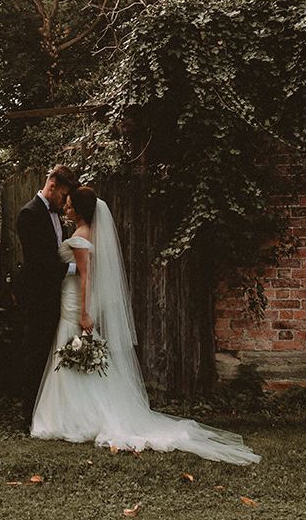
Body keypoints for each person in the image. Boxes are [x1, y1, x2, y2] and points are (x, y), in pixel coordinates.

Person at [31, 186, 261, 465]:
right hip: (71, 299)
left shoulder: (80, 238)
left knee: (70, 350)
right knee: (74, 354)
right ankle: (73, 412)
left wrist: (85, 313)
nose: (65, 209)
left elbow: (86, 278)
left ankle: (72, 417)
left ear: (78, 210)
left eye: (68, 206)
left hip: (75, 304)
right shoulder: (86, 234)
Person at [16, 164, 79, 420]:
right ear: (52, 185)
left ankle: (48, 409)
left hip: (57, 295)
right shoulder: (28, 214)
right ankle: (29, 413)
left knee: (51, 353)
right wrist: (76, 269)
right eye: (64, 195)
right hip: (38, 296)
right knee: (36, 352)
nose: (65, 202)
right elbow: (40, 262)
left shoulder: (55, 216)